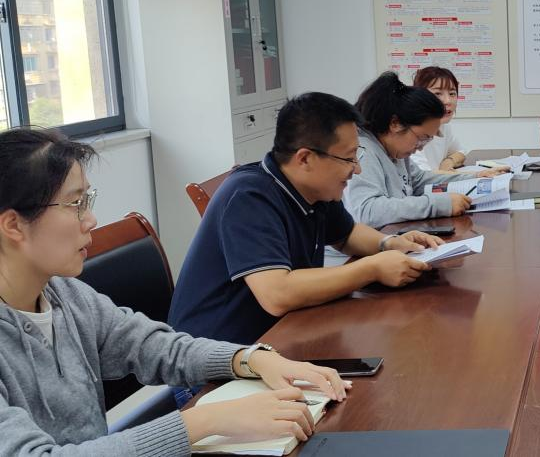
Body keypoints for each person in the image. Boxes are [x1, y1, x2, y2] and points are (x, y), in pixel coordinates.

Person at [0, 128, 349, 456]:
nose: (90, 219)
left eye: (87, 200)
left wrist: (251, 359)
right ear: (13, 225)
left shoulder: (67, 295)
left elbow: (156, 347)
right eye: (75, 203)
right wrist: (205, 420)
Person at [169, 92, 444, 347]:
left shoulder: (315, 189)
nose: (357, 169)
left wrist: (390, 243)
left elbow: (347, 235)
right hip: (216, 359)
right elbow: (277, 294)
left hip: (280, 338)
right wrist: (373, 268)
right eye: (349, 158)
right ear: (305, 159)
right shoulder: (249, 196)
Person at [343, 72, 480, 228]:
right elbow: (367, 211)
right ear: (395, 124)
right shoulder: (363, 151)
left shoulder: (395, 150)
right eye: (422, 138)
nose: (421, 146)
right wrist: (439, 204)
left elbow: (420, 181)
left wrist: (475, 179)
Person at [409, 66, 504, 177]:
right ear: (420, 96)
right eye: (437, 93)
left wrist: (448, 162)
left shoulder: (443, 125)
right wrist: (478, 174)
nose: (448, 101)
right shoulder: (412, 130)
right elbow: (423, 176)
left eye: (452, 93)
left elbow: (461, 152)